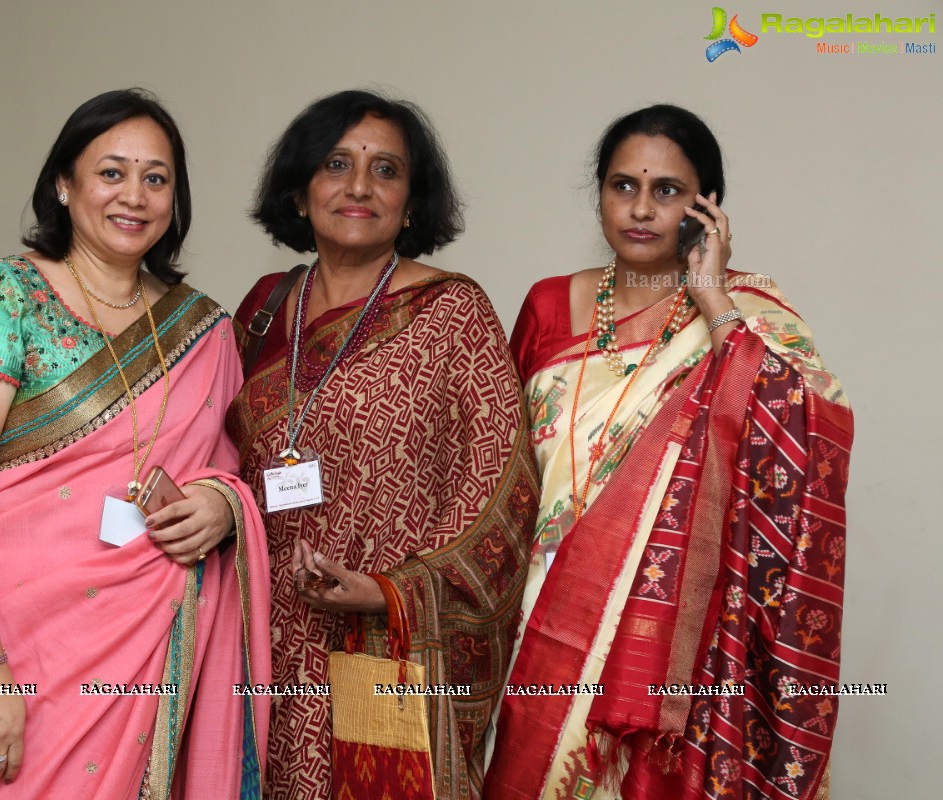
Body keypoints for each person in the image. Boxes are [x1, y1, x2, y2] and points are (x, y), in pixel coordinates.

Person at [483, 104, 851, 799]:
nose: (641, 209)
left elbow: (802, 425)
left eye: (667, 191)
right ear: (598, 195)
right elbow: (501, 470)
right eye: (623, 186)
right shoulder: (548, 306)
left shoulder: (749, 310)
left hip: (678, 629)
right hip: (539, 618)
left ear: (707, 207)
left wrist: (711, 296)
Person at [0, 88, 270, 799]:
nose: (134, 195)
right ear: (64, 186)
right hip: (10, 644)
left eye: (156, 178)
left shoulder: (204, 328)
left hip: (149, 652)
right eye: (111, 172)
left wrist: (223, 506)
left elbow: (227, 471)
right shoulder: (1, 296)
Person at [226, 89, 538, 800]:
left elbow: (502, 494)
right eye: (337, 164)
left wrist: (390, 593)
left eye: (386, 170)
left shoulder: (453, 312)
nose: (360, 186)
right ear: (301, 193)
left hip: (387, 649)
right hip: (262, 643)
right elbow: (219, 461)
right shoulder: (263, 310)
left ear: (411, 200)